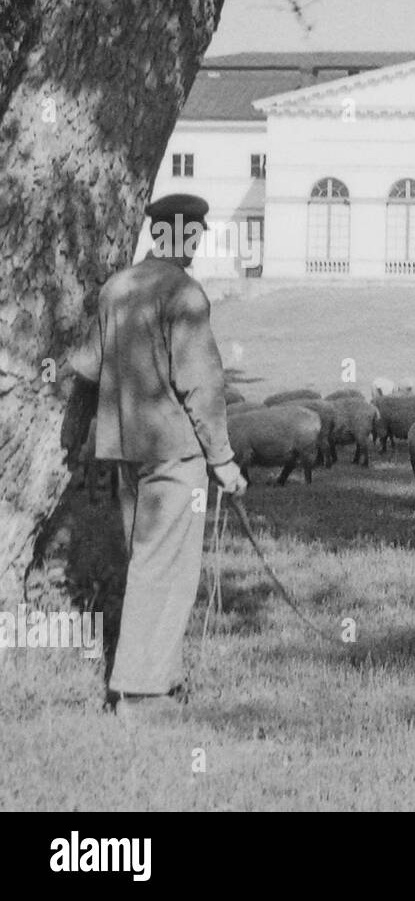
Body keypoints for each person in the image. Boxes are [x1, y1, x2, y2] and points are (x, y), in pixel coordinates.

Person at [69, 193, 246, 720]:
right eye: (196, 234)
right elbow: (201, 387)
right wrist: (224, 461)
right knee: (164, 569)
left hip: (125, 452)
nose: (197, 244)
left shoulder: (117, 287)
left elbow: (87, 365)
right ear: (184, 233)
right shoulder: (185, 294)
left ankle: (151, 678)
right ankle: (142, 693)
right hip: (174, 454)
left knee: (142, 561)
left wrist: (80, 435)